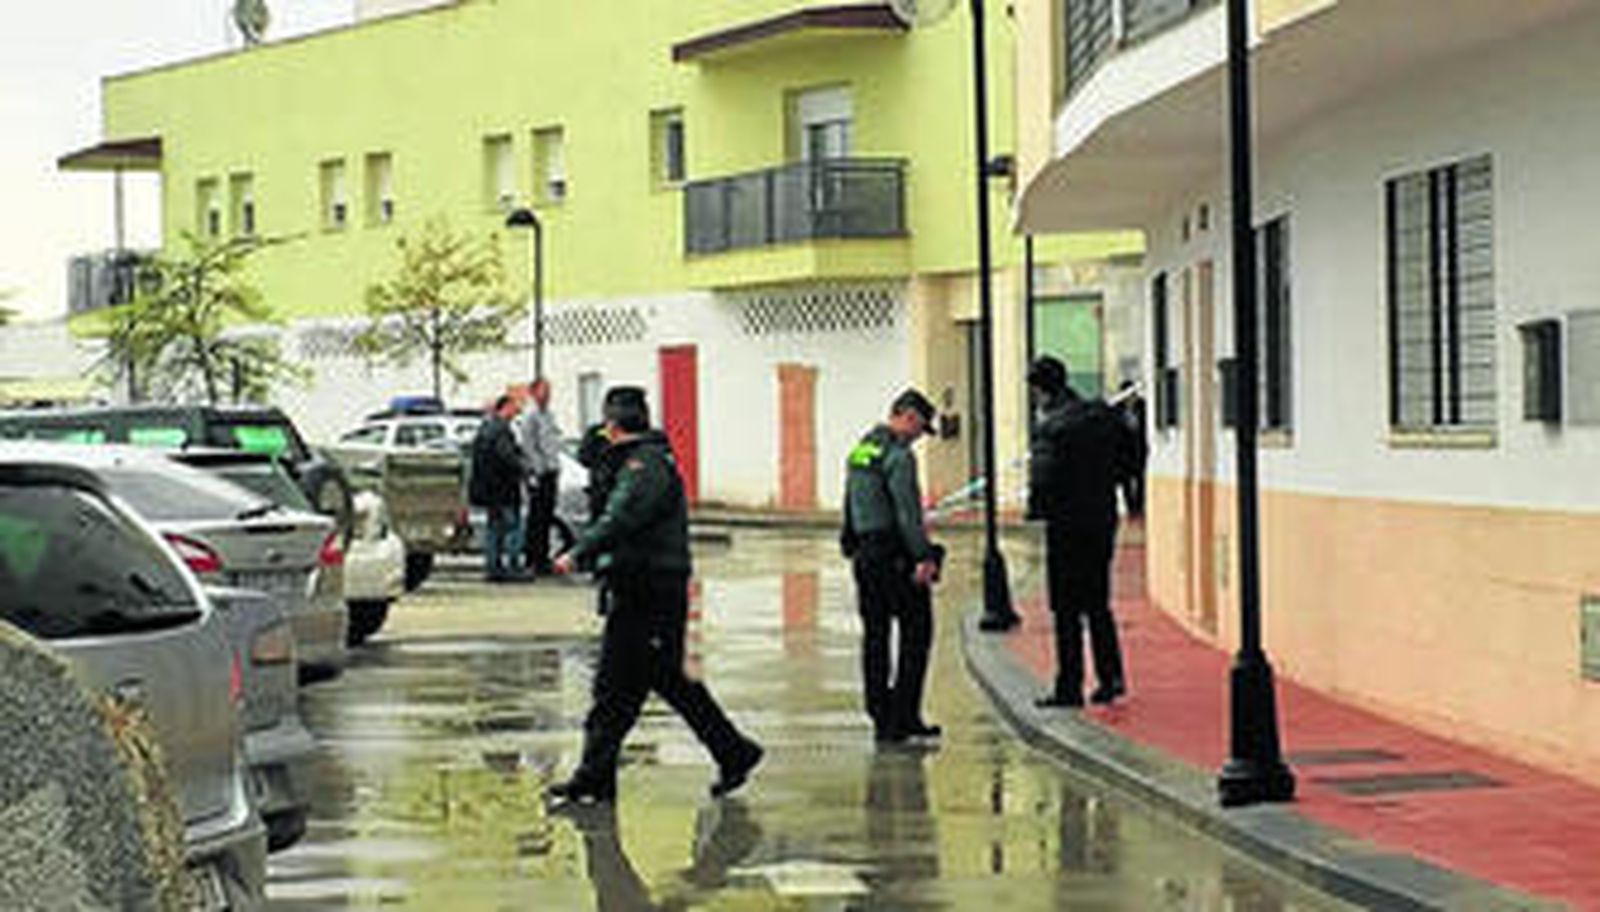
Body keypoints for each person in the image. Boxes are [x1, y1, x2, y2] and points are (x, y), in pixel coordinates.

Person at [548, 386, 762, 804]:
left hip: (649, 587)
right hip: (640, 583)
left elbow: (622, 516)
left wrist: (578, 552)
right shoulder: (637, 456)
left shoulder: (644, 465)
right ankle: (600, 775)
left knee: (630, 686)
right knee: (630, 687)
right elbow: (592, 459)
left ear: (613, 424)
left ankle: (731, 751)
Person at [841, 389, 944, 745]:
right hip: (894, 555)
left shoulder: (861, 450)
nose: (919, 437)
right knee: (917, 632)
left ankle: (881, 715)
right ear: (908, 417)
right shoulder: (900, 457)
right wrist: (923, 556)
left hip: (865, 555)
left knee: (876, 636)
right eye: (920, 428)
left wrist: (850, 541)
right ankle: (905, 715)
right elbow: (907, 514)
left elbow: (849, 501)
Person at [1027, 356, 1129, 708]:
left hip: (1066, 524)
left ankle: (1069, 686)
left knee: (1066, 608)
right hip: (1101, 517)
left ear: (1040, 390)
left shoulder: (1050, 427)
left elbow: (1042, 476)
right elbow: (1130, 455)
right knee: (1098, 602)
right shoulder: (1101, 415)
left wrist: (1038, 509)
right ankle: (1110, 678)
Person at [469, 394, 526, 582]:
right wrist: (523, 468)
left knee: (494, 528)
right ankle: (511, 566)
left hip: (490, 490)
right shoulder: (501, 430)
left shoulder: (486, 428)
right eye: (514, 406)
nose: (517, 410)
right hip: (503, 488)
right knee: (511, 528)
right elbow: (507, 458)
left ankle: (493, 566)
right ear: (505, 407)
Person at [519, 377, 564, 575]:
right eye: (544, 390)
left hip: (552, 471)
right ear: (534, 392)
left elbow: (553, 441)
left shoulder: (549, 415)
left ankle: (543, 557)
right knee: (536, 518)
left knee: (547, 516)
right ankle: (533, 558)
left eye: (549, 390)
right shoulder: (531, 416)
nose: (547, 395)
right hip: (540, 473)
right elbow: (528, 445)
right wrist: (538, 469)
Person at [1113, 381, 1148, 520]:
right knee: (1125, 481)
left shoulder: (1143, 406)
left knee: (1140, 479)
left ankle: (1139, 507)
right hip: (1123, 452)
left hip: (1139, 449)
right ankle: (1131, 508)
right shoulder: (1117, 409)